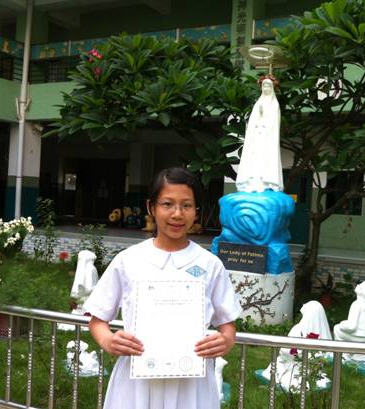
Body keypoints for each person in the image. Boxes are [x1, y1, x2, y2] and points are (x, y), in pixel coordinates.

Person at [84, 167, 243, 409]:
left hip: (192, 384)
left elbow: (227, 324)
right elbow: (97, 320)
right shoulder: (129, 261)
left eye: (187, 205)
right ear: (151, 208)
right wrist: (108, 340)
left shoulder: (209, 265)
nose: (177, 214)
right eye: (167, 204)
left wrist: (226, 341)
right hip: (136, 382)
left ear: (196, 211)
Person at [260, 301, 332, 392]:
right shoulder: (323, 334)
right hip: (311, 368)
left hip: (292, 367)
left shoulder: (297, 329)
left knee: (278, 363)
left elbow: (284, 350)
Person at [235, 75, 283, 193]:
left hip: (267, 137)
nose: (266, 88)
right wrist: (258, 120)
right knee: (254, 159)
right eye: (264, 85)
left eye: (268, 85)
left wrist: (265, 124)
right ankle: (252, 183)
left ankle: (267, 182)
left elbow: (274, 121)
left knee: (266, 158)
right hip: (257, 136)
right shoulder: (258, 103)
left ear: (272, 88)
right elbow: (252, 120)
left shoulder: (274, 104)